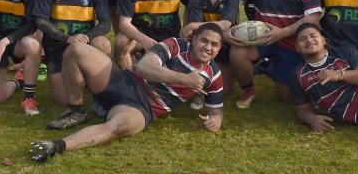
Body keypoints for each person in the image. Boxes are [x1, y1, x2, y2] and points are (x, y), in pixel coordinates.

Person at [29, 23, 226, 162]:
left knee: (117, 127)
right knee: (77, 49)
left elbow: (216, 110)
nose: (208, 47)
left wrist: (215, 120)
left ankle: (54, 146)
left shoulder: (214, 75)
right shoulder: (176, 44)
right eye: (204, 41)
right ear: (193, 39)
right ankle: (77, 109)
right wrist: (184, 78)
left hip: (142, 107)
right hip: (125, 81)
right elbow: (144, 67)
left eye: (214, 45)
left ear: (219, 49)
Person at [233, 0, 322, 109]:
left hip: (290, 40)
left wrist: (282, 32)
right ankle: (249, 90)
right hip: (261, 37)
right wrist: (233, 26)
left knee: (286, 97)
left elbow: (313, 17)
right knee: (237, 53)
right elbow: (236, 0)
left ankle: (269, 66)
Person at [30, 0, 111, 106]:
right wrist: (68, 38)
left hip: (84, 46)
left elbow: (106, 23)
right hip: (58, 47)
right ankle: (83, 83)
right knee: (64, 101)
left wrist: (85, 38)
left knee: (102, 43)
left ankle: (103, 90)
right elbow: (41, 21)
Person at [183, 0, 240, 103]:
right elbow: (197, 32)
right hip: (204, 43)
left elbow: (226, 24)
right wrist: (195, 27)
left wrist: (195, 25)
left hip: (226, 43)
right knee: (196, 44)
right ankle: (197, 89)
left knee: (226, 90)